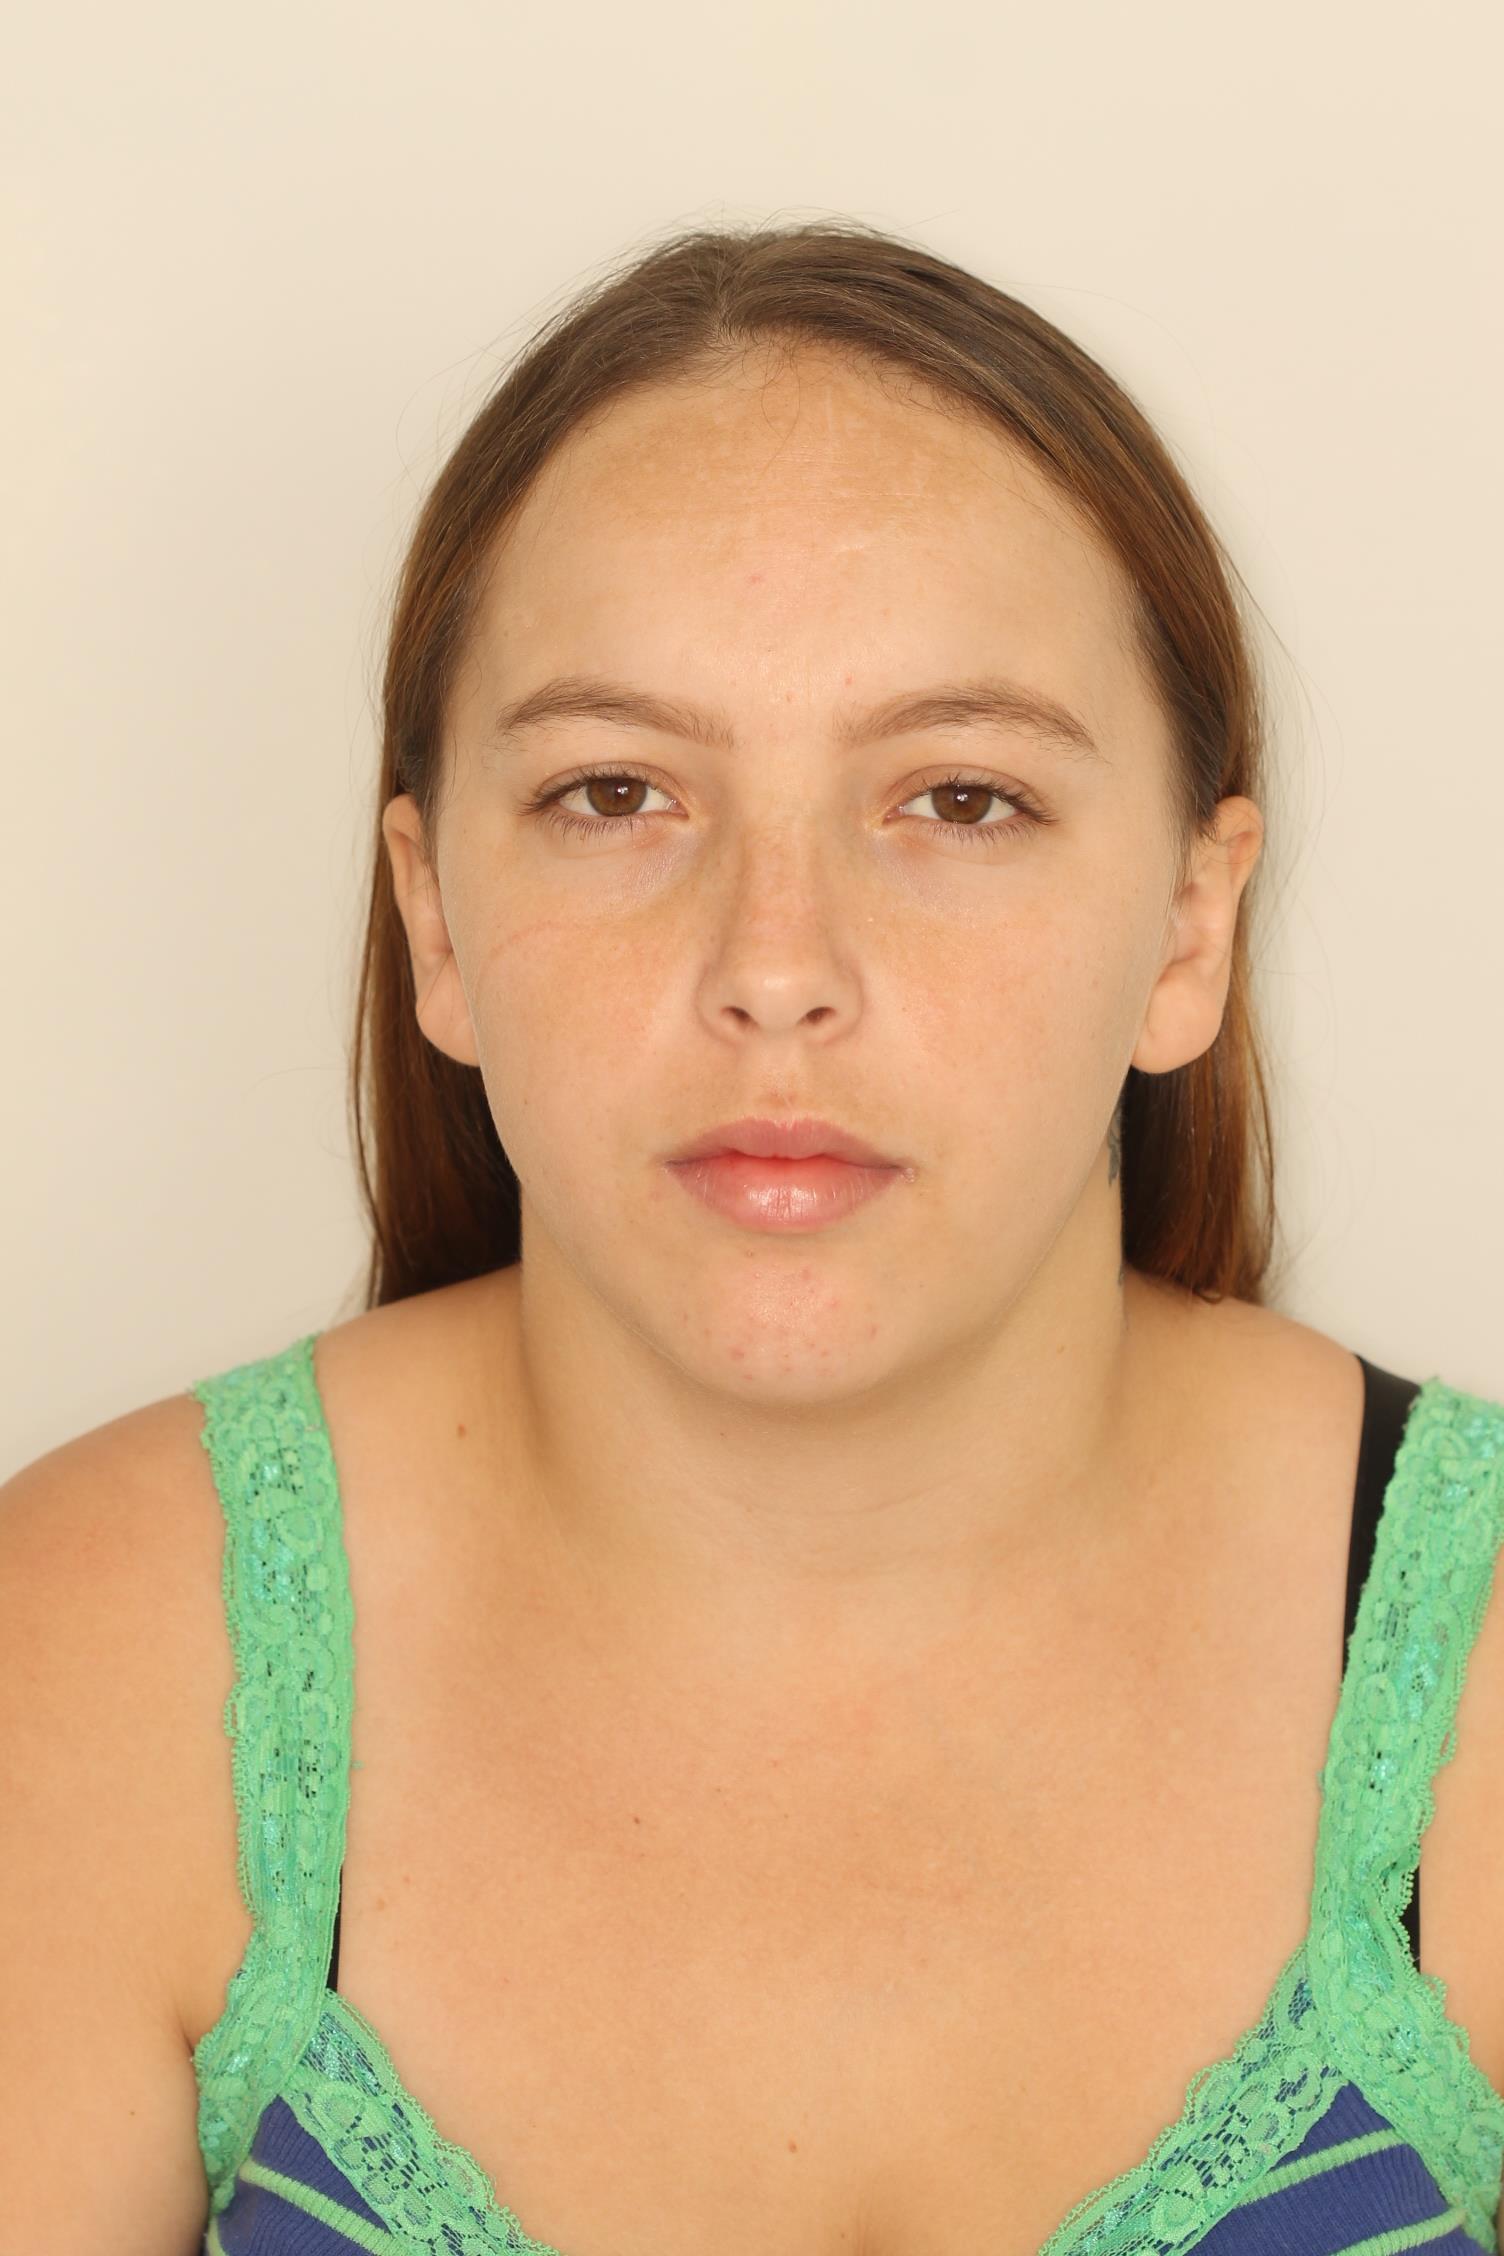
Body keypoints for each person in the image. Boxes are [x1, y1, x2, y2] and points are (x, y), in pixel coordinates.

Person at [5, 220, 1503, 2256]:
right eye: (616, 792)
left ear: (1187, 927)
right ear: (434, 917)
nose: (775, 967)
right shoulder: (86, 1659)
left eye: (957, 800)